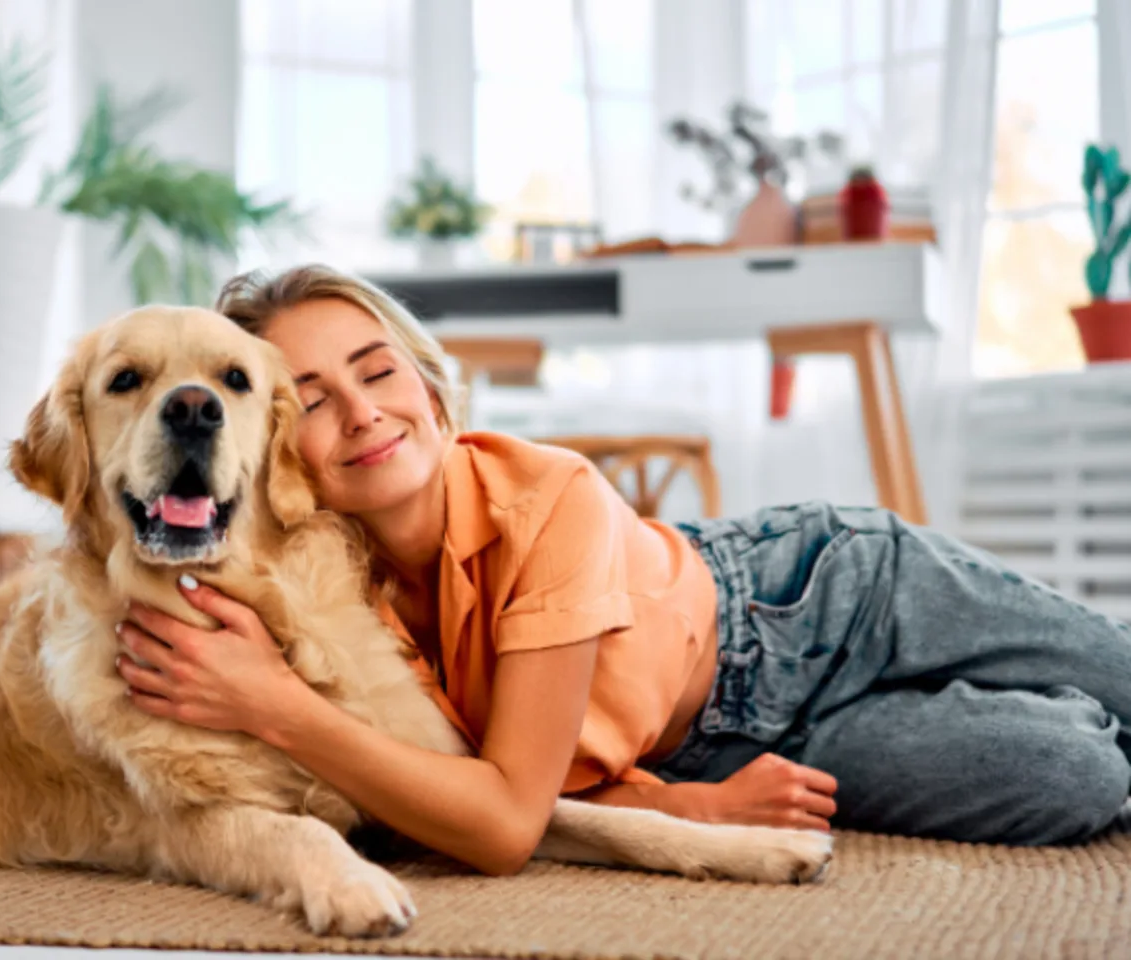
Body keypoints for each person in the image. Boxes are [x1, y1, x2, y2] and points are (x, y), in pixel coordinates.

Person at [115, 264, 1131, 875]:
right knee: (1077, 776)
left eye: (377, 373)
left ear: (428, 389)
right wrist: (684, 800)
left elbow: (504, 819)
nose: (363, 411)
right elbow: (453, 802)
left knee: (1121, 674)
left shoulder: (547, 496)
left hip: (817, 597)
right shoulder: (326, 598)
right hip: (715, 747)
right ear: (270, 445)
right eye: (313, 400)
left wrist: (274, 705)